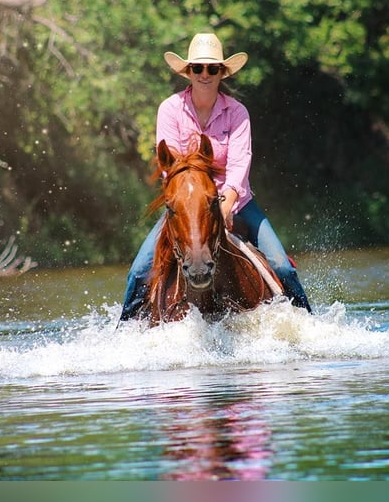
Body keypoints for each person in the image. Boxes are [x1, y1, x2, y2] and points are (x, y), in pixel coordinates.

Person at [120, 33, 311, 320]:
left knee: (282, 266)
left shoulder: (238, 113)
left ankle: (308, 326)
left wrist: (224, 205)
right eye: (198, 68)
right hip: (187, 206)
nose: (204, 74)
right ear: (189, 72)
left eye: (212, 68)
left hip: (236, 203)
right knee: (138, 271)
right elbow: (169, 167)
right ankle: (125, 335)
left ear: (222, 72)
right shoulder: (170, 110)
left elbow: (239, 163)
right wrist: (195, 202)